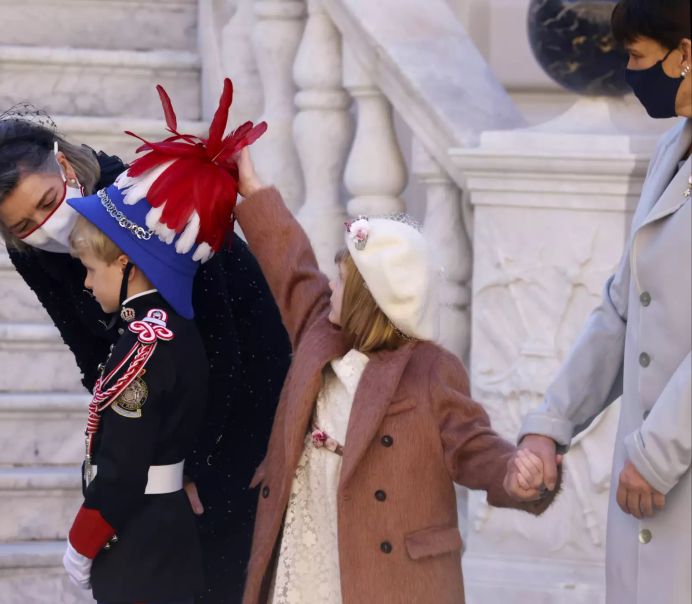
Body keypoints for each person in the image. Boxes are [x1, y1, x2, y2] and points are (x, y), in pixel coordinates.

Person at [0, 94, 291, 601]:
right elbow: (95, 355)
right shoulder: (30, 251)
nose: (44, 226)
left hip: (249, 387)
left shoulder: (140, 199)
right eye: (22, 225)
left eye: (47, 202)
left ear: (63, 164)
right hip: (167, 417)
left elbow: (222, 342)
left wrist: (198, 467)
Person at [231, 149, 559, 604]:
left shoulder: (430, 371)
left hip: (391, 577)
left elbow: (472, 447)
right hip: (310, 547)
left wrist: (512, 474)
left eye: (343, 280)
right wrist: (256, 194)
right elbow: (294, 269)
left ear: (373, 299)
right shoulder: (319, 331)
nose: (331, 287)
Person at [515, 2, 691, 603]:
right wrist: (550, 425)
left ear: (686, 54)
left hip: (666, 468)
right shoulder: (672, 149)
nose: (631, 73)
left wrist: (657, 454)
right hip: (649, 490)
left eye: (640, 58)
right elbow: (622, 308)